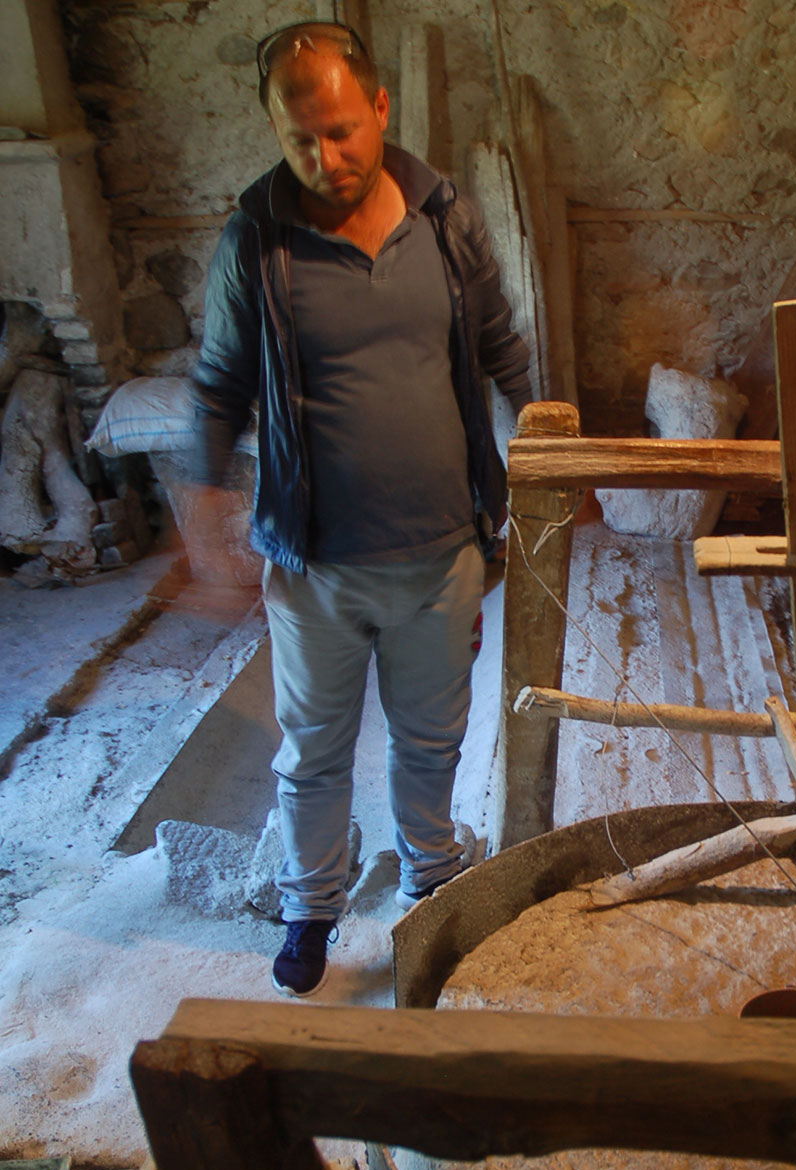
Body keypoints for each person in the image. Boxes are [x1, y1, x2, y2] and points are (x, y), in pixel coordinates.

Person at [191, 21, 532, 997]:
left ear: (380, 107)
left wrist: (551, 440)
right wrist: (204, 514)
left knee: (431, 739)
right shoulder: (257, 240)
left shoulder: (444, 220)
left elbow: (501, 344)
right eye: (299, 138)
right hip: (316, 567)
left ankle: (431, 882)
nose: (324, 157)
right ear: (274, 128)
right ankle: (310, 905)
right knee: (313, 751)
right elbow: (219, 383)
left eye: (341, 131)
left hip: (441, 554)